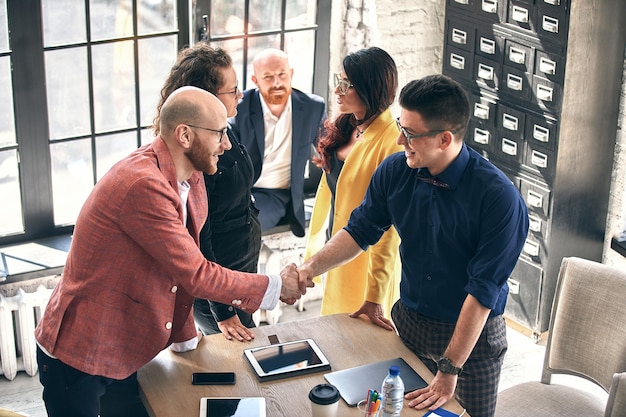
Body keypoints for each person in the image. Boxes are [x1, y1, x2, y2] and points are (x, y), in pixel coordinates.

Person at [34, 86, 308, 417]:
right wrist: (276, 286)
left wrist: (184, 339)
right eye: (220, 133)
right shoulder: (143, 184)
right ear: (185, 135)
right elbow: (196, 272)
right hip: (80, 350)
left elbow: (179, 268)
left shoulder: (190, 179)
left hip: (125, 345)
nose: (226, 144)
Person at [297, 75, 529, 417]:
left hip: (472, 343)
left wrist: (450, 369)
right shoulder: (395, 170)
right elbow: (360, 231)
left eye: (410, 133)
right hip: (411, 325)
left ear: (444, 139)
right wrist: (308, 270)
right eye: (400, 127)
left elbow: (482, 293)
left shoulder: (499, 200)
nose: (398, 139)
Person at [153, 43, 260, 341]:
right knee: (242, 353)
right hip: (219, 282)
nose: (240, 96)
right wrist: (223, 311)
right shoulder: (197, 155)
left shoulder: (223, 129)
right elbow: (200, 239)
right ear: (207, 98)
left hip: (242, 262)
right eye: (233, 90)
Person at [304, 47, 402, 324]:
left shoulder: (391, 144)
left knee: (359, 338)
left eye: (346, 85)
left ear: (371, 90)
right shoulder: (347, 125)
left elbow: (390, 231)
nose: (337, 90)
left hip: (366, 261)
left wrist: (375, 294)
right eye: (339, 80)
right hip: (338, 244)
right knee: (333, 328)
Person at [229, 48, 327, 237]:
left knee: (243, 230)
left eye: (282, 74)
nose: (277, 83)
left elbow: (329, 151)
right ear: (255, 80)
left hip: (274, 195)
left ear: (291, 74)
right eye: (268, 77)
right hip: (241, 191)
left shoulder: (312, 107)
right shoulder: (239, 109)